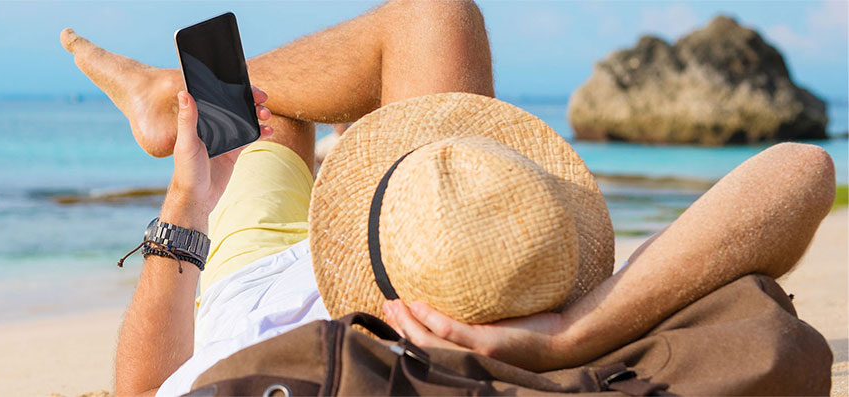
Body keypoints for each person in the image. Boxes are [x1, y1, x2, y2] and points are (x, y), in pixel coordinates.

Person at [60, 1, 835, 395]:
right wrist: (567, 334)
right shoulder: (529, 315)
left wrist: (186, 206)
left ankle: (171, 99)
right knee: (435, 14)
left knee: (273, 126)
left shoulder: (269, 372)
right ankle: (174, 96)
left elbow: (143, 389)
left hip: (278, 269)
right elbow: (802, 170)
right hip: (435, 235)